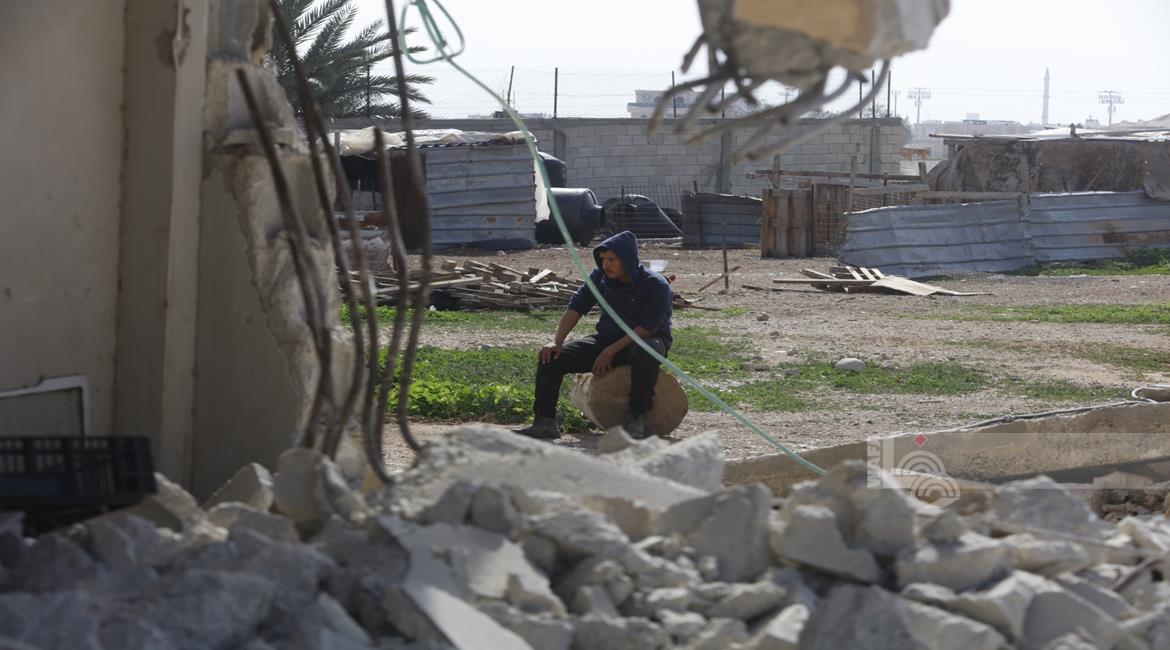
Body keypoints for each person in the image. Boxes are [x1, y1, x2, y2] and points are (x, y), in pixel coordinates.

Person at [513, 230, 673, 440]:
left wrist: (609, 352)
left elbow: (647, 328)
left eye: (612, 259)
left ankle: (636, 417)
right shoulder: (600, 277)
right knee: (550, 357)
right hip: (607, 339)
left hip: (642, 341)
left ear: (627, 259)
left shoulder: (656, 284)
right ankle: (544, 421)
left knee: (648, 350)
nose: (606, 265)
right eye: (603, 259)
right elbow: (576, 308)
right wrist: (556, 341)